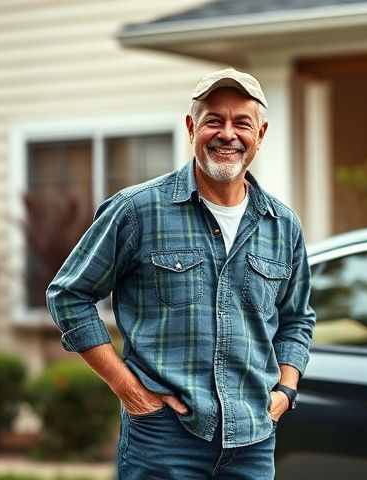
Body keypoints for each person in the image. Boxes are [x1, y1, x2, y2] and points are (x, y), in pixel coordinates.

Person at [46, 68, 316, 479]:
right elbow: (69, 294)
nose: (228, 134)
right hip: (162, 439)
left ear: (260, 135)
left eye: (242, 123)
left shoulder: (283, 225)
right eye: (214, 120)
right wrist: (128, 390)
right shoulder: (137, 210)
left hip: (253, 442)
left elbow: (297, 319)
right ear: (192, 128)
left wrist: (285, 390)